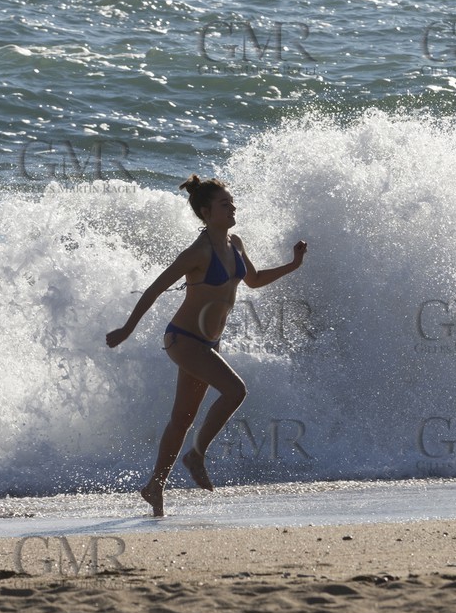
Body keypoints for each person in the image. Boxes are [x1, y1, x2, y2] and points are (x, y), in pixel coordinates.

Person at [106, 175, 308, 516]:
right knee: (235, 390)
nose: (233, 208)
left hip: (207, 343)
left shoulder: (236, 244)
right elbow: (154, 289)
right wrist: (127, 328)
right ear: (206, 211)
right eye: (225, 204)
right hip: (183, 339)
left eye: (232, 203)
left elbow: (254, 281)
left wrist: (293, 264)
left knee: (182, 419)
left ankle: (155, 486)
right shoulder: (197, 253)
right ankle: (195, 454)